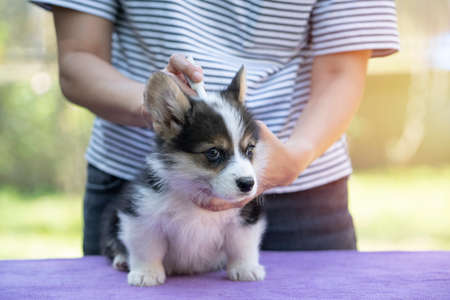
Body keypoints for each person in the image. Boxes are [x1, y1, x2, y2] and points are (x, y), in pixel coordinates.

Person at [31, 0, 399, 254]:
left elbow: (341, 73)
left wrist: (295, 157)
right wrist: (163, 108)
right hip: (143, 187)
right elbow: (79, 59)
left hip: (301, 189)